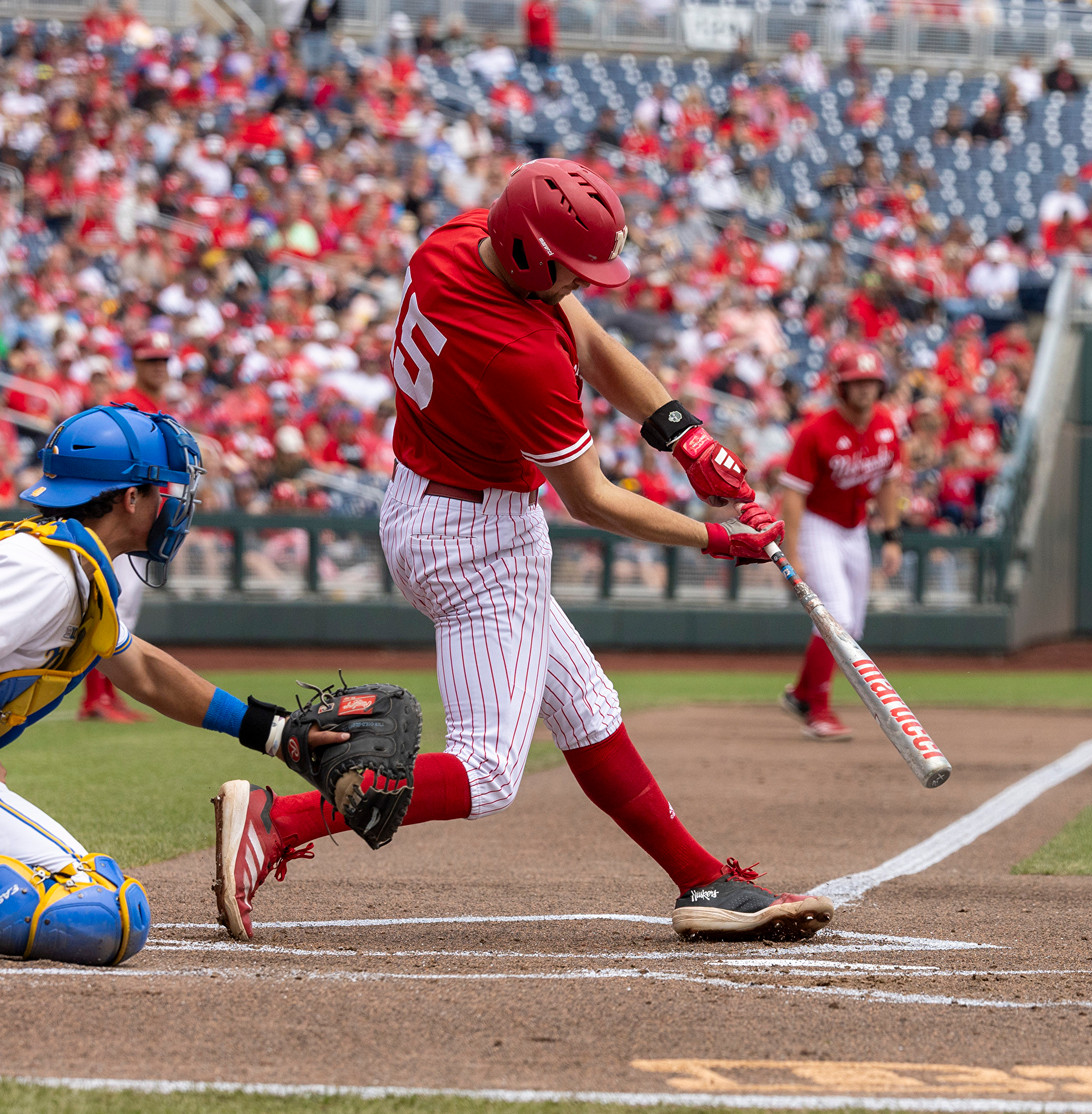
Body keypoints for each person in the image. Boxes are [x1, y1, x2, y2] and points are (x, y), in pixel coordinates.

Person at [210, 159, 833, 944]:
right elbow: (591, 498)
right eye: (572, 270)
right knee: (490, 771)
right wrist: (715, 538)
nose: (583, 285)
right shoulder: (517, 355)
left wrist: (683, 432)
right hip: (476, 539)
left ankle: (699, 880)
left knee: (587, 710)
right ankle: (277, 820)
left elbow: (592, 341)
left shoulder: (460, 239)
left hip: (439, 504)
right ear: (533, 257)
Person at [1, 405, 354, 966]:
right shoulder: (44, 571)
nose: (174, 502)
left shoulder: (68, 566)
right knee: (104, 913)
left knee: (100, 901)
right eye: (161, 488)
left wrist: (276, 733)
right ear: (130, 498)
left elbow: (142, 670)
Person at [777, 346, 904, 741]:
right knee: (838, 617)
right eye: (856, 383)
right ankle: (818, 711)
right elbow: (793, 495)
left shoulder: (886, 425)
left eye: (871, 382)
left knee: (853, 625)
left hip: (855, 527)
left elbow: (889, 483)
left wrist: (892, 536)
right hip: (818, 523)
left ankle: (800, 694)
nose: (865, 390)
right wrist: (792, 553)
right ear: (840, 387)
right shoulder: (816, 430)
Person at [79, 335, 180, 723]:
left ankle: (107, 697)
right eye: (150, 359)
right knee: (111, 605)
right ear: (136, 363)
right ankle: (95, 700)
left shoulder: (156, 405)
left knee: (126, 610)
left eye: (163, 359)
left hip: (146, 517)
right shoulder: (123, 403)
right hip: (123, 516)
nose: (159, 366)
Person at [297, 0, 339, 73]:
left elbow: (336, 16)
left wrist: (335, 32)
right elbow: (306, 14)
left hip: (324, 33)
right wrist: (302, 29)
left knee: (323, 64)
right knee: (308, 64)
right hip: (310, 33)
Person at [523, 0, 557, 67]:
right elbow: (534, 21)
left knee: (545, 68)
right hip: (537, 44)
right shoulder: (533, 8)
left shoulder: (544, 7)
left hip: (545, 44)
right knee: (537, 67)